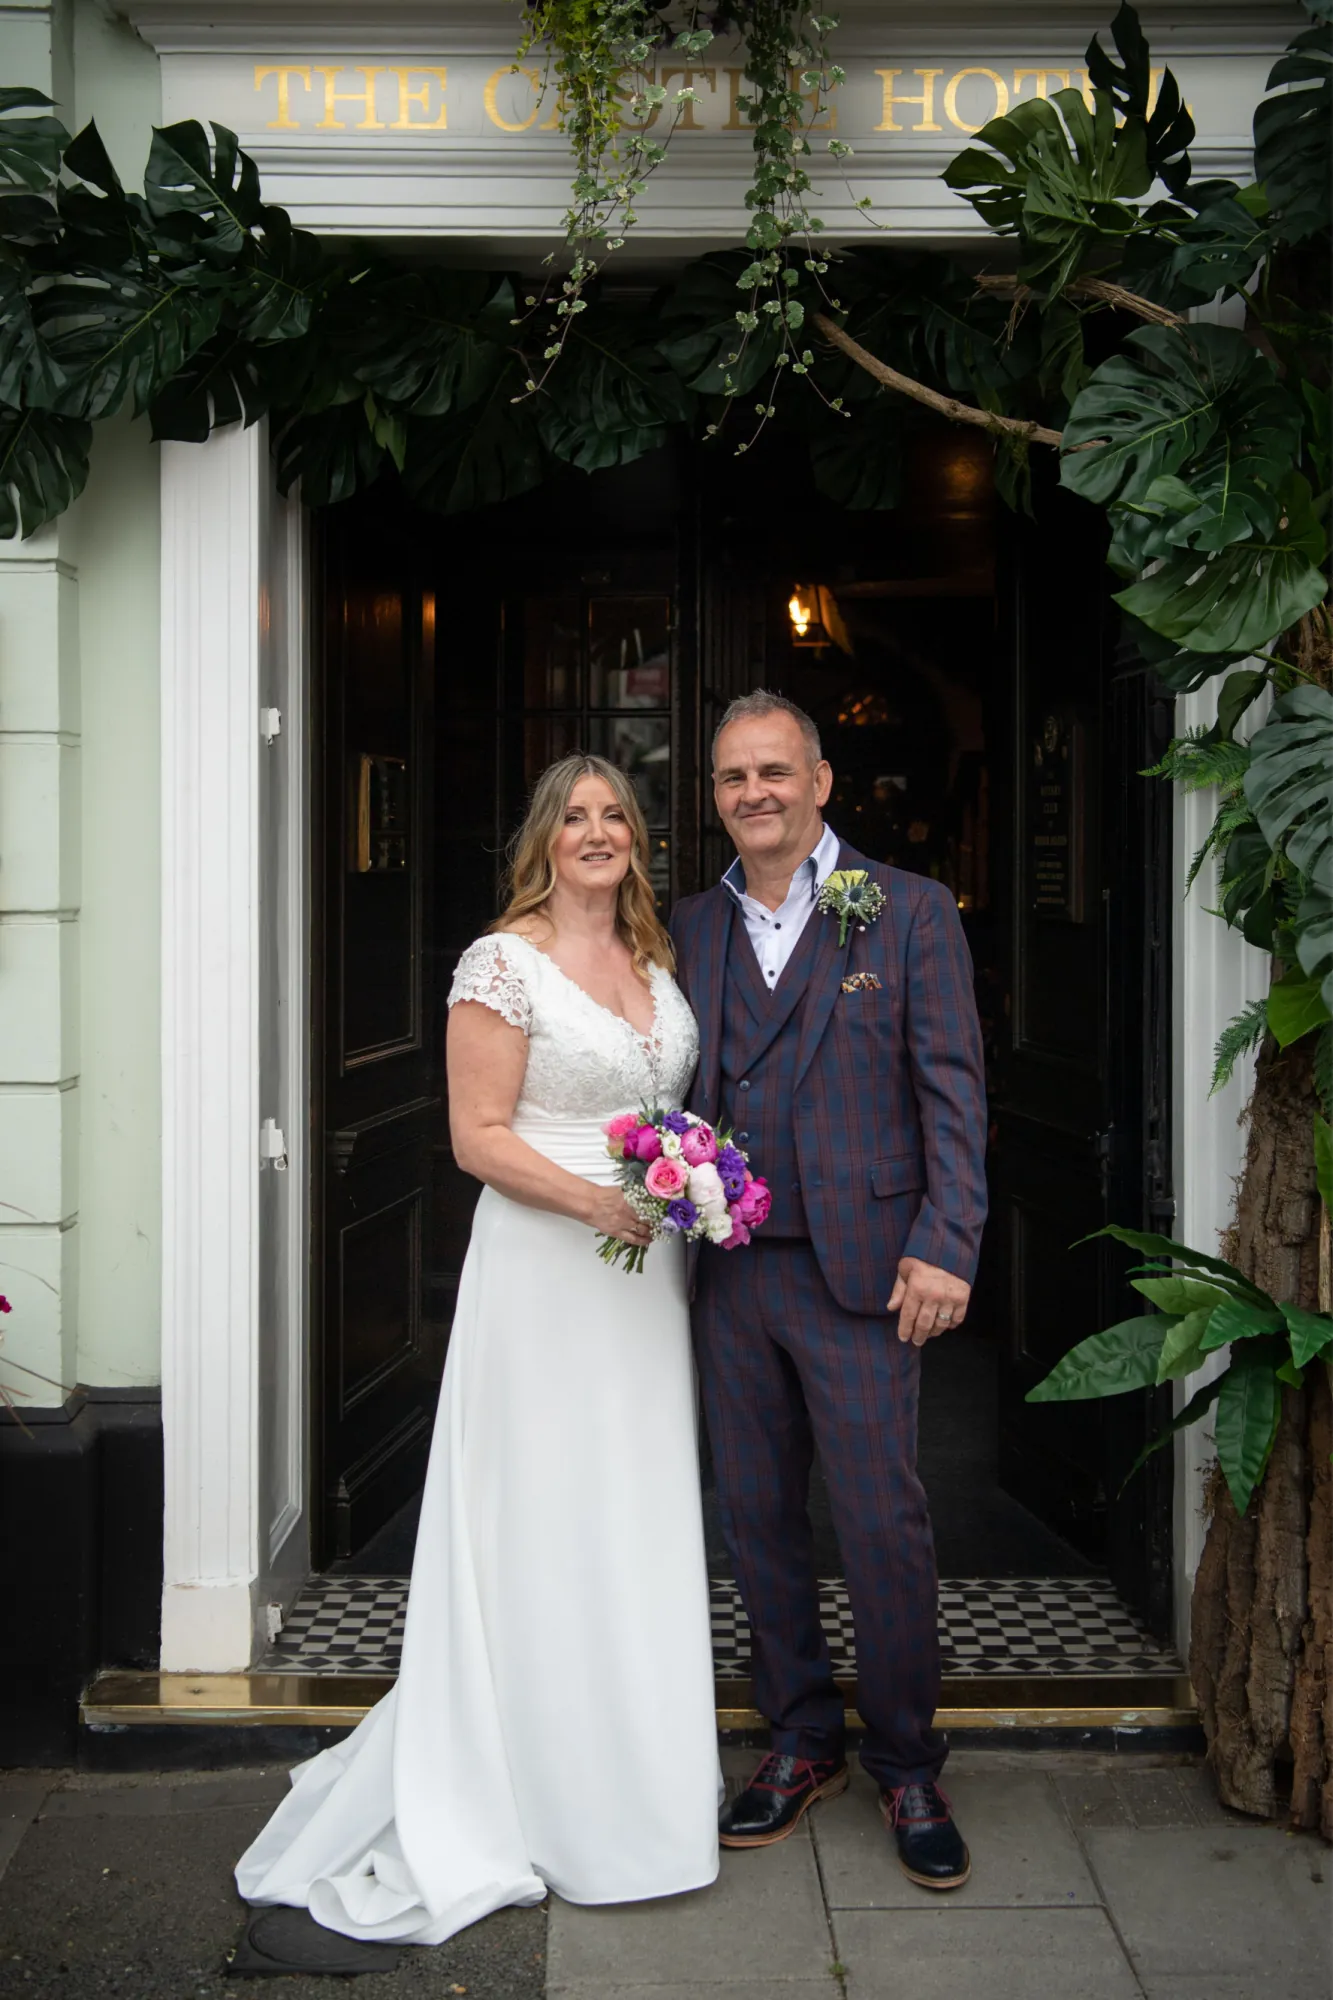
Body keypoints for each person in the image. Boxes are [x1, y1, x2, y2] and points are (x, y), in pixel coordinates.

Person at [235, 754, 719, 1946]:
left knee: (630, 1510)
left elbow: (660, 1107)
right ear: (543, 839)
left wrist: (692, 1174)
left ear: (635, 839)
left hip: (645, 1280)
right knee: (544, 1511)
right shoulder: (500, 963)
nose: (597, 832)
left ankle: (632, 1780)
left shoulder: (655, 961)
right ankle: (531, 1782)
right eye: (575, 817)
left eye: (616, 815)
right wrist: (601, 1202)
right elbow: (476, 1137)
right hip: (549, 1271)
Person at [671, 690, 987, 1890]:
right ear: (715, 795)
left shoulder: (908, 910)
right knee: (755, 1518)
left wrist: (947, 1239)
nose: (754, 792)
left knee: (879, 1522)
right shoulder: (690, 925)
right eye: (732, 777)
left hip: (865, 1270)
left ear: (821, 779)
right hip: (731, 1271)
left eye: (773, 771)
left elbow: (952, 1087)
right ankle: (800, 1737)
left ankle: (907, 1756)